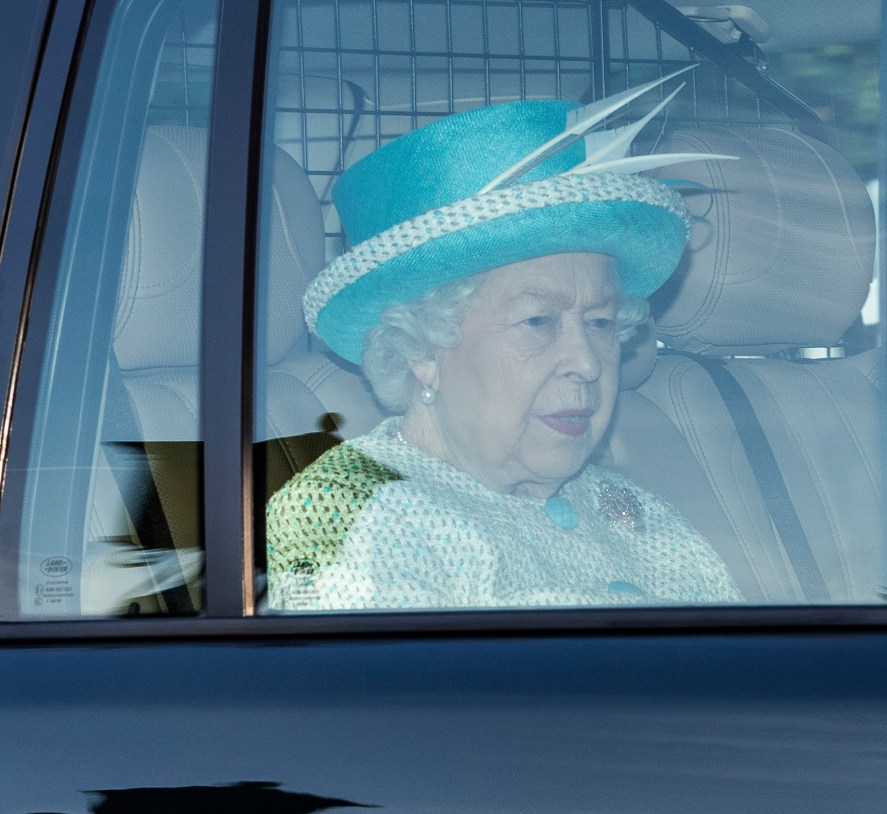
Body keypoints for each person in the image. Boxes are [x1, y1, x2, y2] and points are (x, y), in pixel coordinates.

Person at [267, 73, 741, 611]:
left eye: (602, 323)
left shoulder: (631, 509)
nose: (587, 362)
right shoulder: (349, 509)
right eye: (538, 321)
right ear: (421, 347)